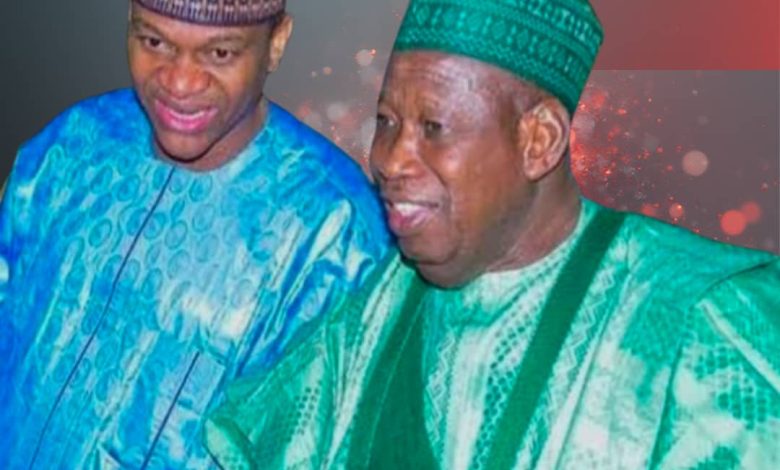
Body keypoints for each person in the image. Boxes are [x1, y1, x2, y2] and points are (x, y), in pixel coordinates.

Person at [204, 0, 780, 468]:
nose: (389, 159)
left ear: (540, 140)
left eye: (434, 127)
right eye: (387, 122)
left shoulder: (692, 319)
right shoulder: (377, 310)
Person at [0, 0, 389, 467]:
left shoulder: (337, 234)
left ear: (276, 43)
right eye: (155, 42)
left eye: (220, 53)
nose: (180, 82)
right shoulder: (72, 146)